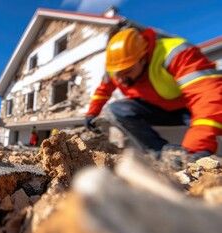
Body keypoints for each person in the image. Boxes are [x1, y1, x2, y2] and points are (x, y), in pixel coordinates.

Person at [85, 28, 222, 160]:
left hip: (190, 109)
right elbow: (103, 91)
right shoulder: (116, 68)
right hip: (159, 110)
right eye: (117, 74)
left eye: (127, 71)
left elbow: (207, 95)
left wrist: (196, 146)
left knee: (214, 116)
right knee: (116, 109)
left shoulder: (175, 53)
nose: (120, 79)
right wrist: (92, 113)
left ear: (143, 58)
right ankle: (160, 154)